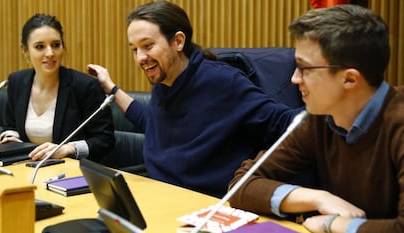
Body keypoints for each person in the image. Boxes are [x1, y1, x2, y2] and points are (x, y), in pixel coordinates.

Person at [87, 1, 300, 197]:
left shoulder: (222, 81)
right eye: (134, 49)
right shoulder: (165, 82)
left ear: (178, 41)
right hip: (160, 196)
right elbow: (151, 122)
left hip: (203, 207)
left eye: (148, 46)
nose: (140, 58)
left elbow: (287, 124)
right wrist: (112, 88)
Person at [228, 4, 403, 233]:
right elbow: (242, 184)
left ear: (349, 79)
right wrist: (316, 198)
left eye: (304, 68)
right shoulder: (319, 119)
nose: (293, 79)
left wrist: (334, 225)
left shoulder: (397, 123)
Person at [0, 14, 115, 162]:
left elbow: (105, 140)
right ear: (25, 51)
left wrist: (68, 148)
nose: (50, 53)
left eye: (55, 45)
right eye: (40, 47)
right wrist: (10, 139)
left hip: (69, 174)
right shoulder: (17, 81)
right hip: (26, 168)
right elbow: (10, 126)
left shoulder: (85, 86)